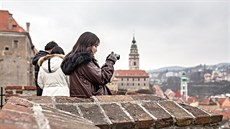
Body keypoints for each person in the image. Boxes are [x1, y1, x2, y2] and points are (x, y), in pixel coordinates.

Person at [61, 32, 119, 98]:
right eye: (95, 46)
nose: (96, 50)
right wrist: (110, 61)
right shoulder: (84, 62)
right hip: (90, 99)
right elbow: (102, 78)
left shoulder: (75, 61)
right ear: (88, 45)